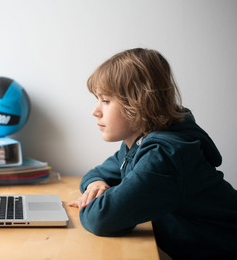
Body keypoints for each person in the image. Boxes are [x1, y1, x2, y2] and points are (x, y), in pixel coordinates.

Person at [68, 48, 237, 259]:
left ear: (139, 103)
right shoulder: (138, 143)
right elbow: (97, 173)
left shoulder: (165, 155)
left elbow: (103, 219)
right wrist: (96, 186)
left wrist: (91, 202)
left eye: (106, 100)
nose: (95, 111)